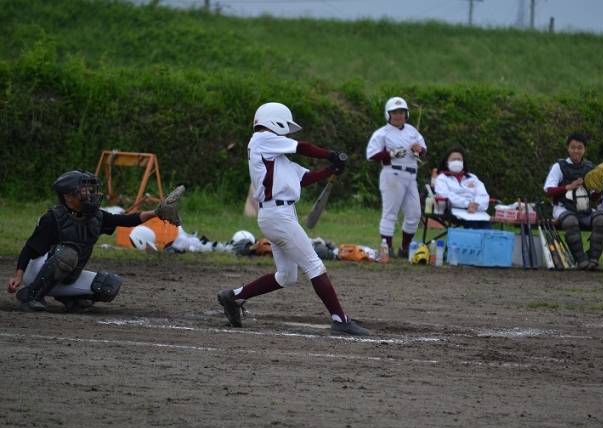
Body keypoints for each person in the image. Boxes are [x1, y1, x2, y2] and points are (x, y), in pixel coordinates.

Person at [217, 102, 371, 336]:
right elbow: (303, 147)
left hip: (281, 215)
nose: (287, 133)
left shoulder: (276, 157)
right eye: (285, 127)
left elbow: (304, 179)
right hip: (277, 215)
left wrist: (330, 169)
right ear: (273, 121)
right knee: (314, 265)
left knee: (287, 276)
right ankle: (340, 320)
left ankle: (234, 297)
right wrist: (331, 154)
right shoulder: (261, 139)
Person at [6, 170, 183, 313]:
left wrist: (156, 213)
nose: (90, 194)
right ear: (68, 197)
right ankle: (32, 296)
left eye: (90, 190)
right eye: (84, 191)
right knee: (67, 254)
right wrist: (18, 276)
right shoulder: (53, 218)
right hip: (34, 272)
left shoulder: (95, 217)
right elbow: (29, 248)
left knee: (108, 285)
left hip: (65, 274)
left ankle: (69, 298)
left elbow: (126, 220)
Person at [366, 96, 427, 258]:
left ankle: (405, 248)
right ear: (388, 114)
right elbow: (371, 154)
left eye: (401, 112)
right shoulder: (382, 133)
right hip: (393, 173)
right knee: (390, 213)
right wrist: (391, 154)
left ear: (406, 114)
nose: (398, 115)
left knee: (414, 213)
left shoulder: (412, 131)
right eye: (394, 112)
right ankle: (387, 248)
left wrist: (419, 149)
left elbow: (423, 149)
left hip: (411, 175)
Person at [543, 133, 603, 271]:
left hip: (584, 209)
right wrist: (568, 187)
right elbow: (549, 191)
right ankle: (581, 260)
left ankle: (593, 259)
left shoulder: (590, 168)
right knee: (570, 221)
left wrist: (599, 189)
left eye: (580, 148)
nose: (576, 151)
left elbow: (593, 198)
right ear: (567, 148)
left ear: (585, 149)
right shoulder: (559, 166)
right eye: (573, 147)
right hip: (563, 207)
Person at [433, 146, 492, 230]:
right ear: (447, 164)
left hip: (475, 209)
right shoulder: (442, 178)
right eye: (453, 159)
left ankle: (488, 239)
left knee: (486, 223)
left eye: (459, 159)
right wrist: (467, 204)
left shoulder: (472, 178)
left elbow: (482, 194)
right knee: (471, 222)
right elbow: (444, 194)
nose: (457, 161)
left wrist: (476, 205)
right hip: (454, 209)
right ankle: (474, 239)